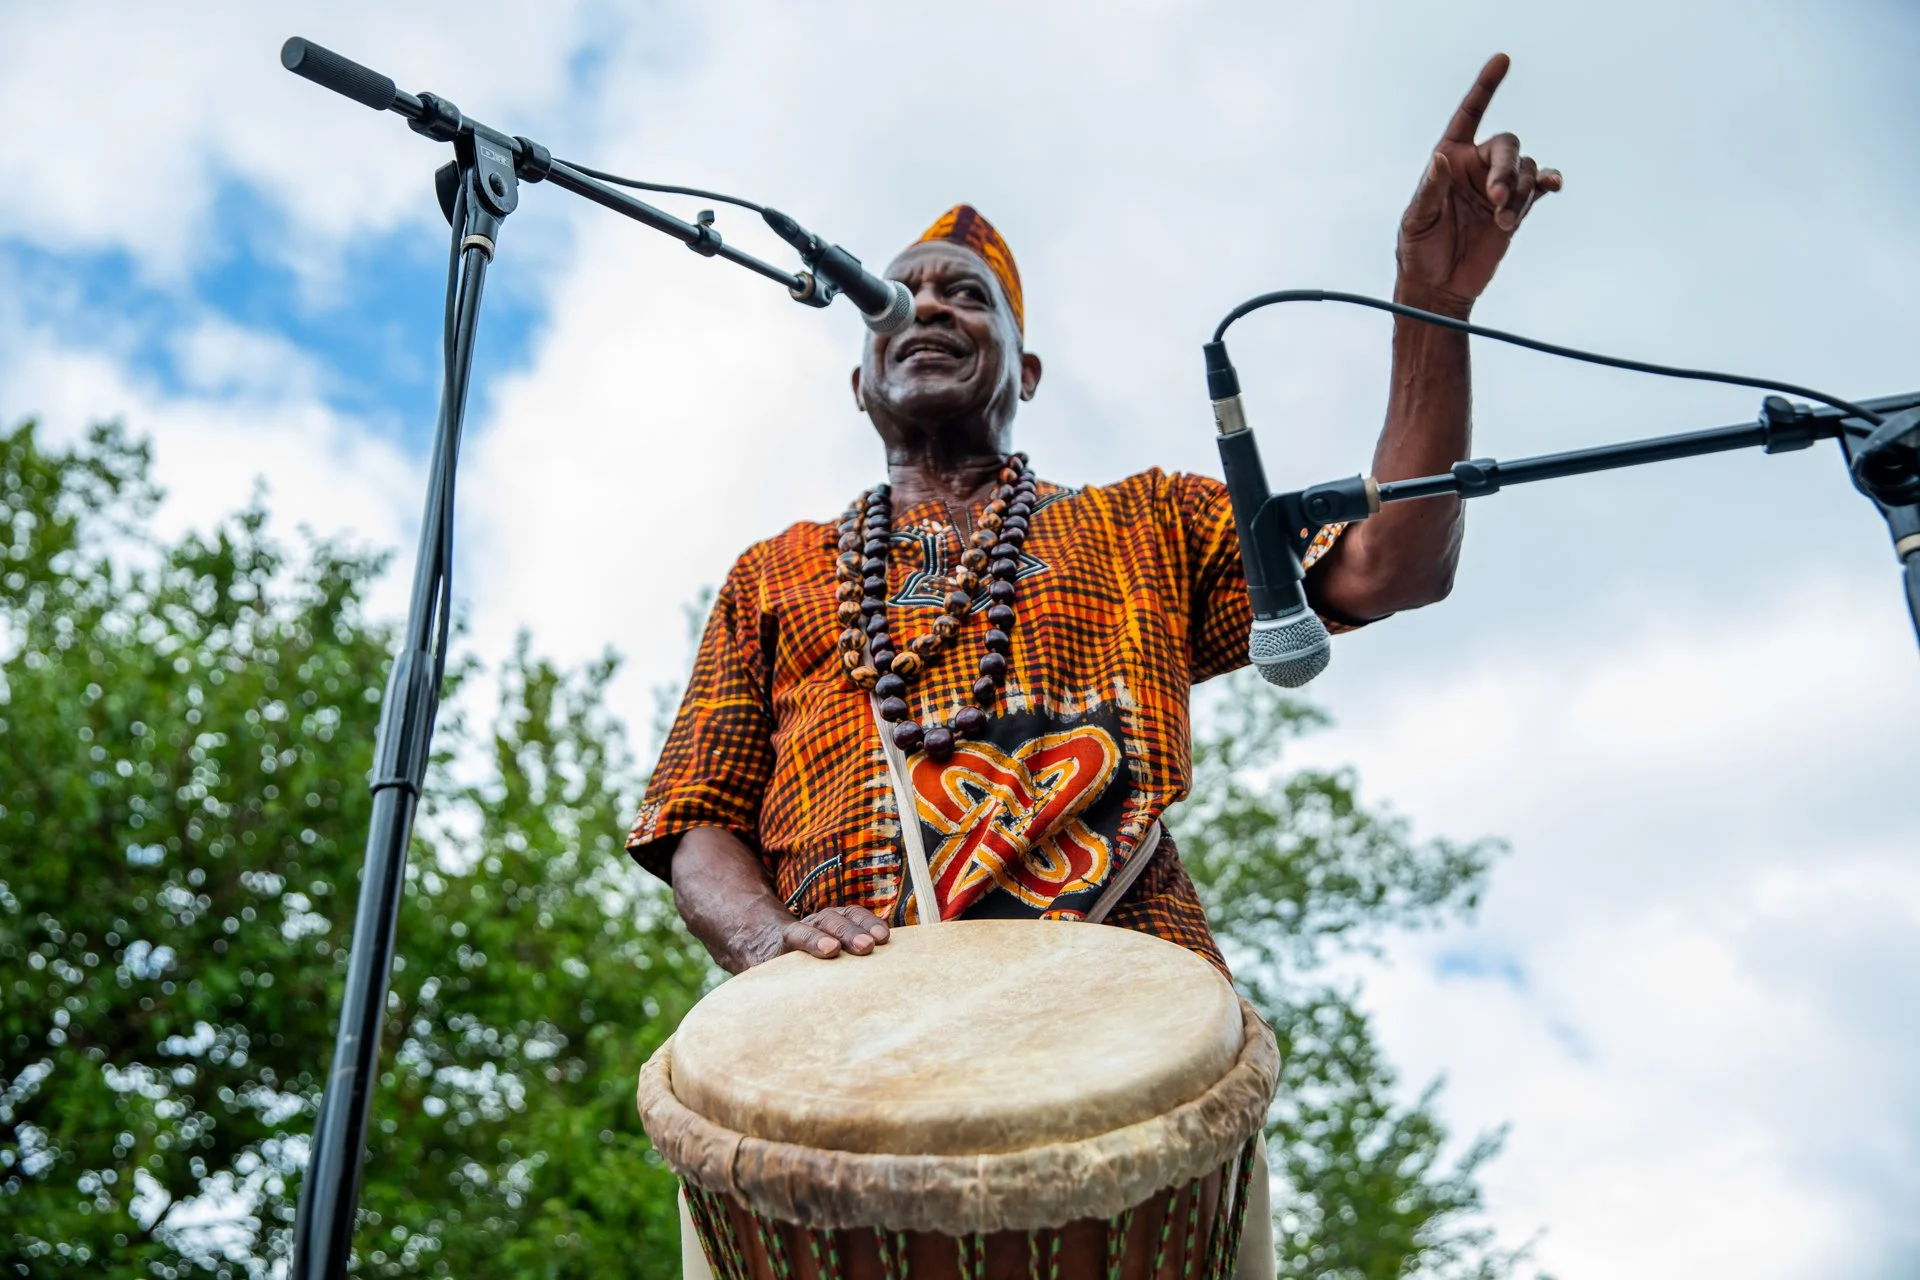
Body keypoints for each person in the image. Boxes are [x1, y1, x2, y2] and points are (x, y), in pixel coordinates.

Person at [628, 54, 1559, 978]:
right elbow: (698, 816)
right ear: (859, 380)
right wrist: (767, 939)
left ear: (1026, 373)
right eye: (903, 296)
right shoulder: (774, 573)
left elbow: (1390, 566)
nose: (925, 308)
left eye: (965, 296)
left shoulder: (1146, 521)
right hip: (853, 1033)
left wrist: (1431, 302)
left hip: (1121, 1017)